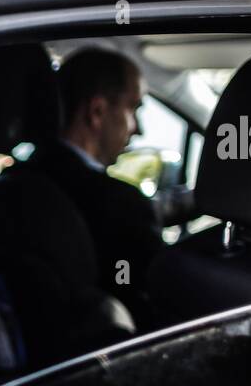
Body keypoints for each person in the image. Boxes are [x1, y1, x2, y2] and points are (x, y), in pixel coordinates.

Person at [44, 47, 162, 327]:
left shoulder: (13, 183)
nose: (139, 129)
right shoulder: (123, 206)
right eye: (133, 108)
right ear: (97, 111)